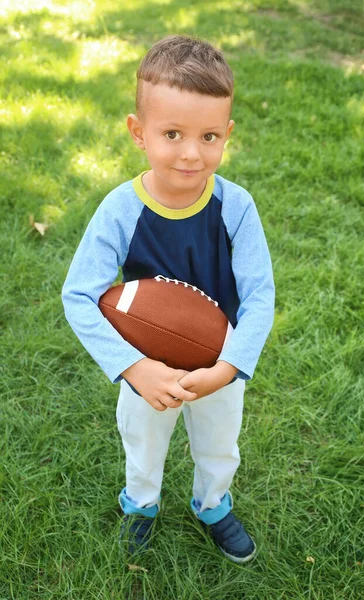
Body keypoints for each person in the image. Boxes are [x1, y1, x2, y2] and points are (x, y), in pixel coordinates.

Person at [62, 34, 274, 564]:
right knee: (144, 443)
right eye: (172, 133)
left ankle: (212, 503)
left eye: (208, 136)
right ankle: (141, 503)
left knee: (220, 444)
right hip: (146, 360)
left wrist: (228, 366)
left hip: (216, 357)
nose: (190, 152)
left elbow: (260, 295)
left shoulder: (236, 207)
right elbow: (78, 295)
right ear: (138, 132)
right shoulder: (119, 210)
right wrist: (133, 366)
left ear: (227, 134)